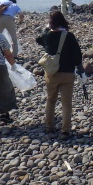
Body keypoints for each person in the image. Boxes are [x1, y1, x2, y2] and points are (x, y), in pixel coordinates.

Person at [36, 11, 83, 140]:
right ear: (63, 21)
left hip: (52, 73)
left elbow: (38, 39)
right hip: (68, 73)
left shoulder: (47, 36)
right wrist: (80, 69)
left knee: (51, 100)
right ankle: (65, 131)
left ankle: (49, 126)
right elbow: (77, 56)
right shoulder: (69, 36)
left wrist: (46, 28)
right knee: (66, 103)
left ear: (51, 23)